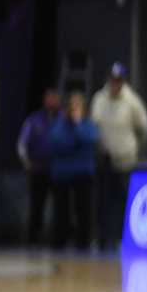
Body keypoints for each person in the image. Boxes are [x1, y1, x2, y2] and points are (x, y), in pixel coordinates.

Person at [90, 63, 147, 249]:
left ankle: (122, 239)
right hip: (104, 159)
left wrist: (134, 149)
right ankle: (102, 239)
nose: (115, 84)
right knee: (102, 203)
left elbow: (144, 128)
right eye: (113, 80)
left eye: (119, 80)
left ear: (123, 81)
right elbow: (93, 126)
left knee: (123, 202)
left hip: (126, 161)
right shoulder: (99, 99)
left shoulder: (132, 101)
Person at [48, 89, 100, 251]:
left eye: (78, 106)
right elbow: (56, 142)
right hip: (62, 174)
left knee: (84, 210)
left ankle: (83, 242)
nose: (74, 109)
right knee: (61, 211)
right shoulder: (60, 124)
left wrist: (77, 127)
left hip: (83, 174)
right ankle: (60, 242)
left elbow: (90, 140)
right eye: (72, 106)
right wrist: (77, 144)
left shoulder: (88, 125)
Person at [19, 87, 61, 243]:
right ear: (44, 100)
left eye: (54, 98)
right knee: (36, 206)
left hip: (58, 170)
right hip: (38, 169)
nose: (51, 101)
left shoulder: (63, 119)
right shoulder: (34, 119)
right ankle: (33, 239)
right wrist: (27, 163)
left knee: (59, 208)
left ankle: (57, 240)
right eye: (49, 98)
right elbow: (22, 144)